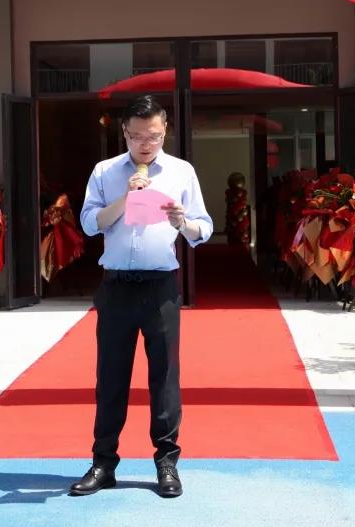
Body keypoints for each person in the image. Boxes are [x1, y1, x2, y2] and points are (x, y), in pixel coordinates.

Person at [70, 96, 212, 498]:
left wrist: (183, 222)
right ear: (125, 133)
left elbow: (203, 228)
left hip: (160, 287)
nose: (144, 144)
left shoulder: (182, 172)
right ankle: (103, 464)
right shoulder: (106, 171)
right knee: (110, 377)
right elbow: (89, 223)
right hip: (116, 286)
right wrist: (125, 199)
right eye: (136, 136)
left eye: (152, 136)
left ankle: (167, 464)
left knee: (164, 377)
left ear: (165, 131)